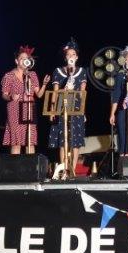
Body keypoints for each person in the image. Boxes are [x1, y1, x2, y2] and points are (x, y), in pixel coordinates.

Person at [48, 39, 89, 176]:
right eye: (68, 54)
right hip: (62, 104)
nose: (71, 56)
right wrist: (53, 109)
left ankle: (73, 170)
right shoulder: (58, 71)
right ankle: (64, 168)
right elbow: (55, 91)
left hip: (76, 106)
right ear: (65, 57)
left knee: (75, 140)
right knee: (63, 139)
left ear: (76, 57)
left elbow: (83, 92)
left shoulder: (82, 71)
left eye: (73, 54)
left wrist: (83, 110)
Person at [1, 45, 50, 155]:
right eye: (22, 58)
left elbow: (39, 94)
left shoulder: (32, 74)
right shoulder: (9, 75)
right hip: (15, 109)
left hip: (29, 108)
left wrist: (44, 84)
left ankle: (30, 165)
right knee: (16, 141)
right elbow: (4, 95)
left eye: (26, 58)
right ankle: (15, 165)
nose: (24, 60)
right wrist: (11, 97)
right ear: (16, 61)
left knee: (30, 140)